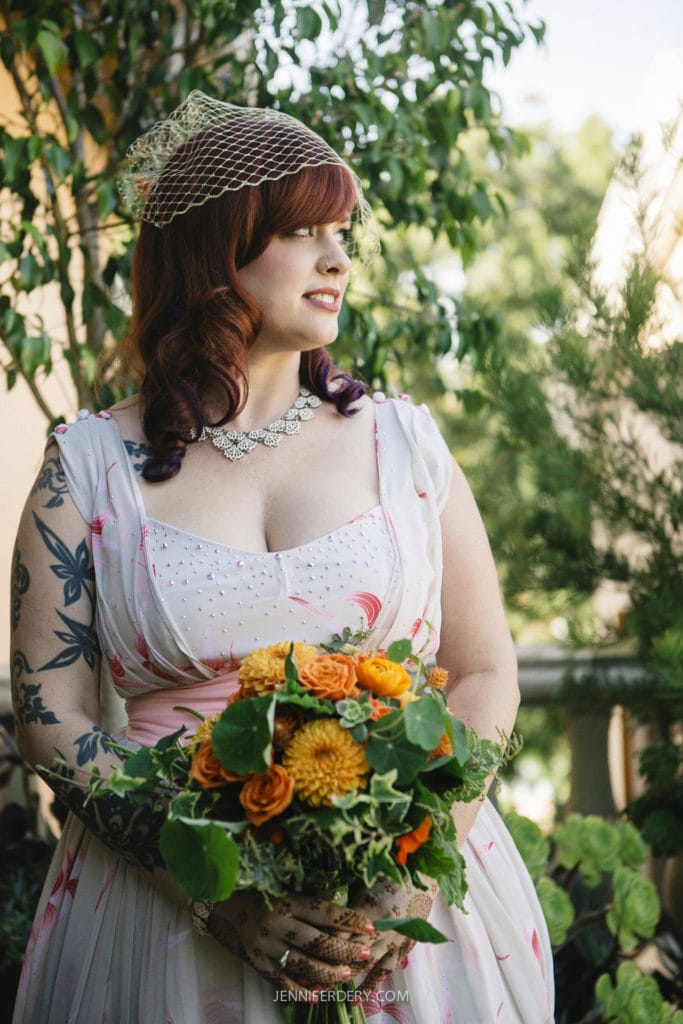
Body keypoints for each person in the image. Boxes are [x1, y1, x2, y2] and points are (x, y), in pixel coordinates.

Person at [10, 91, 554, 1023]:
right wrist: (215, 894)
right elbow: (47, 712)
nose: (338, 260)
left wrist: (418, 868)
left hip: (396, 910)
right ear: (214, 254)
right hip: (161, 916)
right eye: (305, 233)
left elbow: (486, 668)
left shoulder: (406, 447)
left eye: (342, 233)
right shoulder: (87, 468)